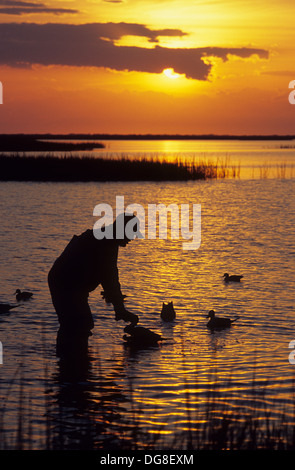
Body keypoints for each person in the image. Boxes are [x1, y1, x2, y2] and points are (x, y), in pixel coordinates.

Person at [48, 213, 141, 358]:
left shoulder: (110, 240)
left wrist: (119, 308)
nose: (132, 238)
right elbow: (109, 279)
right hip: (65, 283)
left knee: (79, 324)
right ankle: (71, 363)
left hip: (74, 286)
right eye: (131, 233)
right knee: (78, 324)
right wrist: (120, 309)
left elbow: (110, 277)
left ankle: (71, 363)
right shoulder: (105, 242)